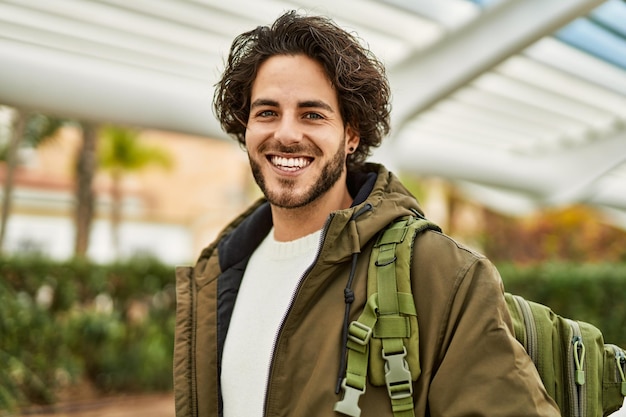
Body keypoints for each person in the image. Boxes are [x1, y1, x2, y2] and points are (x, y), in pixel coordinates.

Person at [173, 10, 561, 417]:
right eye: (267, 112)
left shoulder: (441, 273)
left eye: (312, 114)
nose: (286, 134)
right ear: (245, 126)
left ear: (351, 135)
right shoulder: (216, 276)